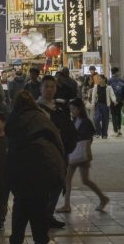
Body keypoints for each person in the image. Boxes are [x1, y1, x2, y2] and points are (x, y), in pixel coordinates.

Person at [6, 91, 66, 244]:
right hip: (42, 171)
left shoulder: (13, 119)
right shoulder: (41, 117)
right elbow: (58, 143)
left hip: (20, 173)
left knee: (20, 212)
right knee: (39, 216)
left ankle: (16, 239)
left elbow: (8, 144)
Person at [36, 76, 77, 230]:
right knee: (45, 186)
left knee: (58, 184)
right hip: (44, 154)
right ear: (40, 88)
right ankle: (42, 216)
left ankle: (48, 215)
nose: (49, 90)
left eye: (52, 87)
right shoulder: (36, 109)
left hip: (60, 152)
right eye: (46, 86)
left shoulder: (59, 107)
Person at [56, 100, 108, 213]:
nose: (72, 111)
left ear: (80, 109)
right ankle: (102, 198)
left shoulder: (86, 122)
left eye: (74, 109)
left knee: (79, 180)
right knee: (79, 180)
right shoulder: (75, 120)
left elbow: (88, 139)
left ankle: (102, 198)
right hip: (76, 154)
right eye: (71, 109)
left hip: (80, 154)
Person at [89, 73, 117, 139]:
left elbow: (112, 95)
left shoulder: (109, 87)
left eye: (101, 79)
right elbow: (93, 96)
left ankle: (104, 134)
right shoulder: (96, 87)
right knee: (96, 119)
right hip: (98, 105)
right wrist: (93, 104)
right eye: (99, 79)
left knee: (105, 120)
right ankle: (98, 131)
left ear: (104, 79)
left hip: (106, 105)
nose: (99, 80)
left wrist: (114, 101)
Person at [106, 68, 124, 137]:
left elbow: (107, 91)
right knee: (118, 114)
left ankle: (115, 130)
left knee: (113, 115)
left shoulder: (109, 81)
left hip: (112, 100)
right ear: (117, 72)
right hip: (120, 100)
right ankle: (119, 129)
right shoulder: (122, 80)